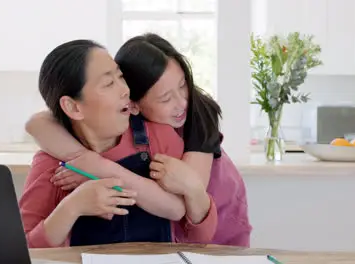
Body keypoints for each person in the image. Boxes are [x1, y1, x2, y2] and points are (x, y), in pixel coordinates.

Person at [25, 33, 252, 246]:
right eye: (109, 83)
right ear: (136, 105)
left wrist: (99, 167)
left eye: (120, 77)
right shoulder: (53, 160)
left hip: (224, 227)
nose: (182, 102)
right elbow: (23, 247)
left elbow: (188, 217)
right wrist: (72, 207)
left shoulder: (177, 128)